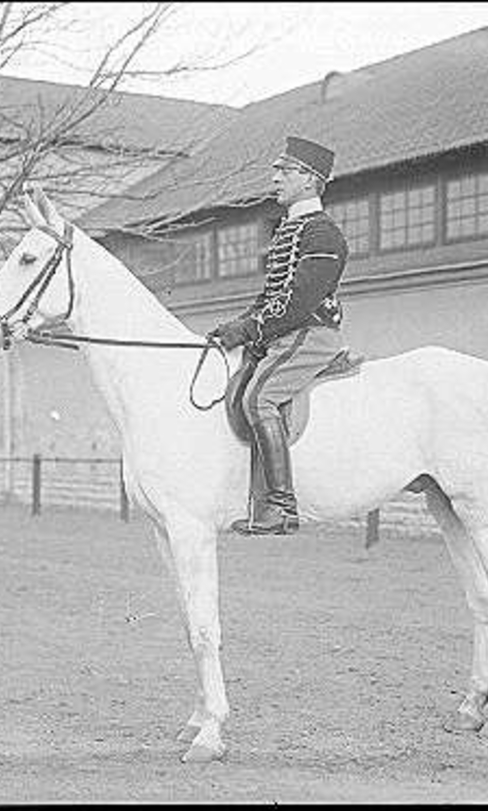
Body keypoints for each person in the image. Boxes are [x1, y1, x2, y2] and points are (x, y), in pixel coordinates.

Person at [208, 136, 350, 536]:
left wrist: (250, 329)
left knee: (259, 398)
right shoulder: (291, 228)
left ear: (308, 179)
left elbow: (299, 301)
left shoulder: (323, 233)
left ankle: (282, 507)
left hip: (310, 333)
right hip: (285, 333)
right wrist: (238, 324)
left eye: (284, 171)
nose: (275, 178)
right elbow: (272, 295)